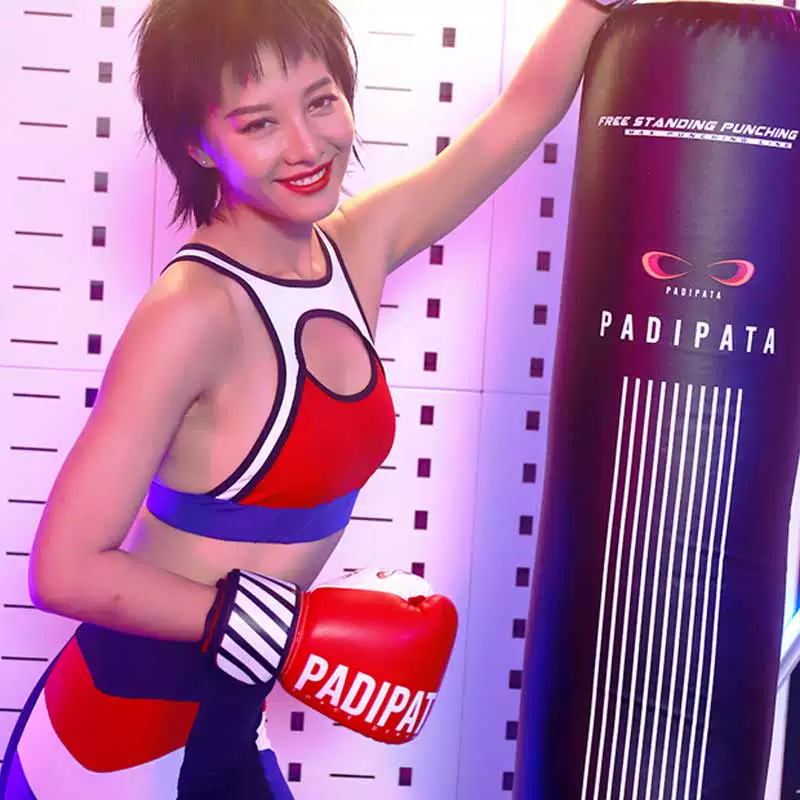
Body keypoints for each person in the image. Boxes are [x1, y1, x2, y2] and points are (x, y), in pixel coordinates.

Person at [0, 0, 631, 796]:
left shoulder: (354, 249)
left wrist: (593, 7)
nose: (306, 146)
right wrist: (286, 630)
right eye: (258, 123)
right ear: (198, 143)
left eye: (321, 101)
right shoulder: (193, 312)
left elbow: (518, 119)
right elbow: (63, 570)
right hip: (117, 733)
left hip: (231, 714)